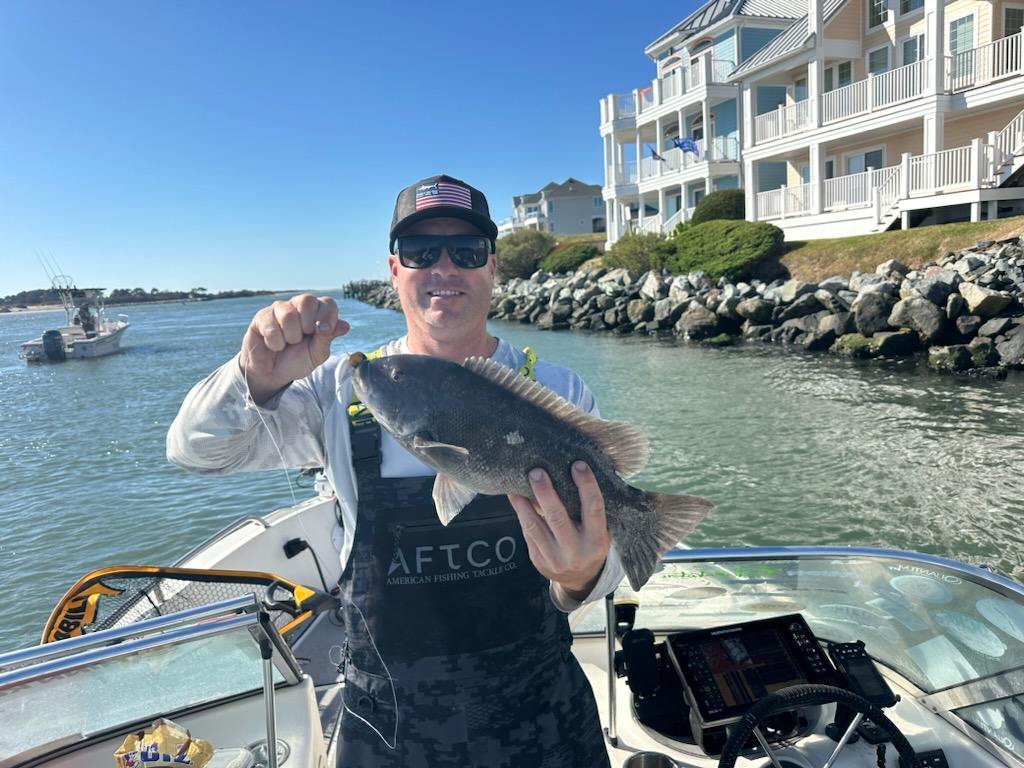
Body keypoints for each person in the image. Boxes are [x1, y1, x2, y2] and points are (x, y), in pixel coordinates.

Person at [166, 174, 623, 767]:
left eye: (466, 251)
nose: (444, 267)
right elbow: (197, 450)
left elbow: (606, 557)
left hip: (544, 714)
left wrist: (582, 576)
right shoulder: (340, 389)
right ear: (393, 269)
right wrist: (254, 375)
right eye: (420, 251)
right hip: (388, 729)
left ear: (492, 267)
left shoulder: (556, 392)